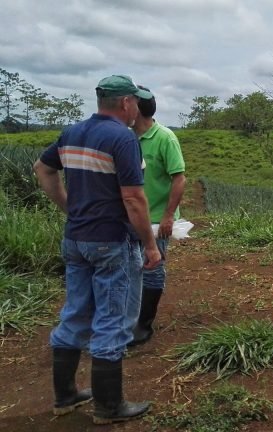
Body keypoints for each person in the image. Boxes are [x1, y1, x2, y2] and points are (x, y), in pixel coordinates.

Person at [33, 74, 161, 424]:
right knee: (113, 320)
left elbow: (43, 170)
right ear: (125, 103)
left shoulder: (73, 132)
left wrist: (70, 208)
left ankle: (66, 395)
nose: (137, 107)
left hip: (76, 238)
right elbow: (133, 198)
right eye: (135, 101)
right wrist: (150, 245)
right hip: (111, 241)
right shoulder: (122, 137)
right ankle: (108, 407)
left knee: (75, 312)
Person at [128, 85, 186, 346]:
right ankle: (130, 318)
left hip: (155, 218)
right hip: (130, 215)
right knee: (131, 266)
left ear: (136, 109)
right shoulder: (127, 137)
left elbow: (179, 178)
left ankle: (144, 324)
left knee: (153, 267)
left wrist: (168, 216)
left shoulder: (165, 138)